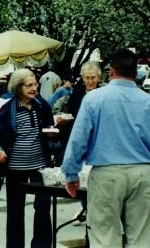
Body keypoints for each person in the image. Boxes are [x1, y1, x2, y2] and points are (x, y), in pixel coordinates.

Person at [61, 49, 150, 247]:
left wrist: (71, 173)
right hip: (143, 172)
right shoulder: (147, 101)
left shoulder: (94, 99)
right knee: (142, 236)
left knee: (104, 236)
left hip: (106, 174)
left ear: (110, 72)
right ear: (135, 73)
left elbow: (78, 140)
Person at [0, 68, 53, 248]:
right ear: (18, 87)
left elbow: (50, 126)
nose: (34, 88)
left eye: (35, 84)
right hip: (15, 167)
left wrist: (53, 131)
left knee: (44, 205)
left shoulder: (41, 106)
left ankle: (41, 245)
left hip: (40, 166)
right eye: (29, 85)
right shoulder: (9, 109)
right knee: (15, 210)